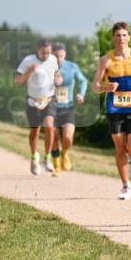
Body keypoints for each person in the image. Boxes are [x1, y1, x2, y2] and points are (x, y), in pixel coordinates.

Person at [93, 22, 131, 200]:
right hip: (114, 108)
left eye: (124, 35)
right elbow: (95, 86)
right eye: (118, 35)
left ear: (129, 37)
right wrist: (106, 87)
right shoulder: (106, 60)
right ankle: (126, 186)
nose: (121, 38)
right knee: (120, 147)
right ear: (113, 37)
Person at [14, 39, 60, 176]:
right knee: (35, 131)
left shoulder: (53, 59)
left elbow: (56, 75)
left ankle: (48, 158)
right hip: (33, 101)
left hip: (49, 99)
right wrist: (28, 72)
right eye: (43, 52)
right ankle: (34, 157)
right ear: (37, 49)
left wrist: (58, 79)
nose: (46, 55)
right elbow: (17, 81)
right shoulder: (28, 61)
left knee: (49, 126)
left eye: (48, 52)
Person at [52, 42, 89, 172]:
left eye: (61, 56)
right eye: (55, 56)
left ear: (65, 54)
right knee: (54, 138)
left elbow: (83, 80)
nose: (58, 59)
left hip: (67, 108)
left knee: (68, 138)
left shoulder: (72, 67)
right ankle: (56, 165)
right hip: (51, 108)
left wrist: (81, 94)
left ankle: (64, 153)